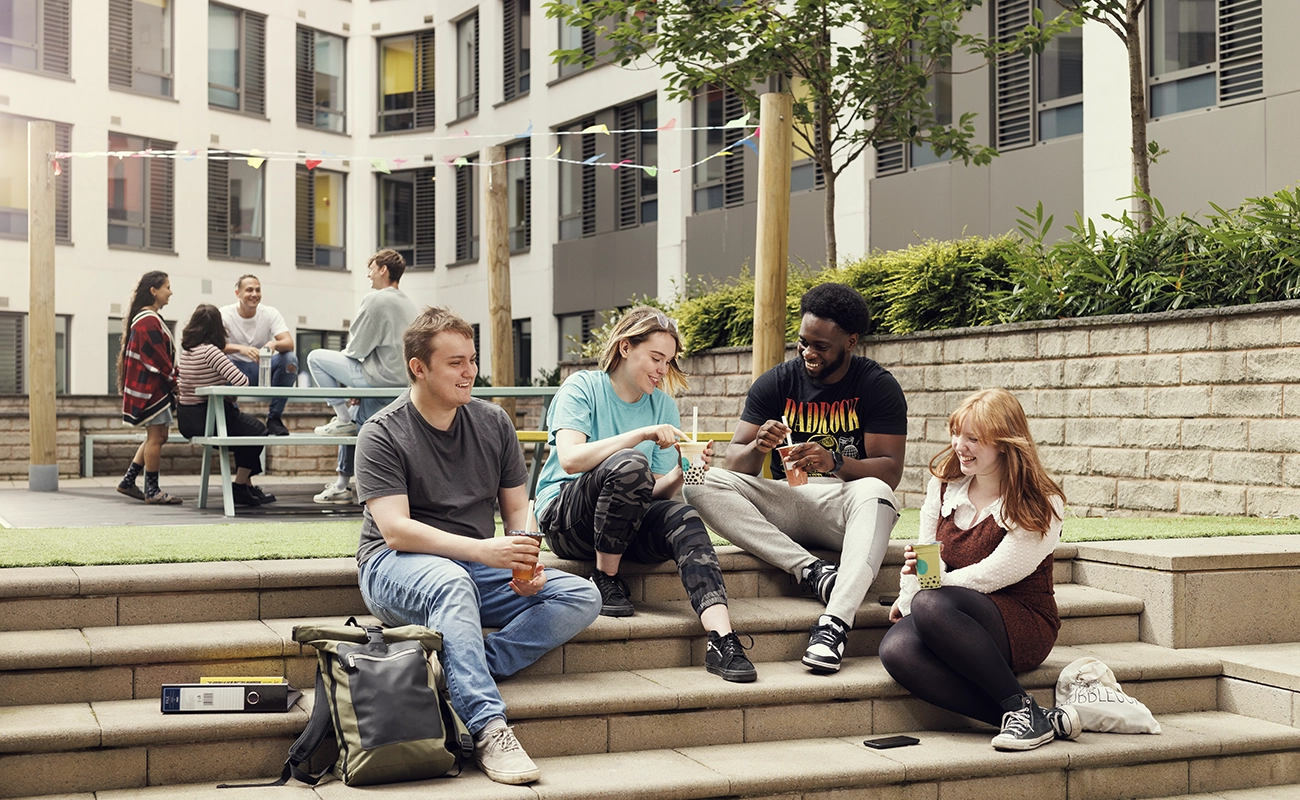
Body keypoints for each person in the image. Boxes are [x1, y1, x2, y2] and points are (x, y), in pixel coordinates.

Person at [355, 306, 601, 786]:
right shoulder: (381, 433)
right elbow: (396, 530)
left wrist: (525, 555)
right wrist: (484, 551)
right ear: (418, 367)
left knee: (581, 594)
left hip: (471, 565)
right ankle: (489, 727)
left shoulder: (493, 424)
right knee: (450, 581)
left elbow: (517, 512)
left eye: (472, 359)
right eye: (455, 363)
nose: (469, 372)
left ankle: (463, 667)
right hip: (394, 566)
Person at [685, 283, 906, 675]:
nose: (808, 353)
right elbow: (736, 462)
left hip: (843, 508)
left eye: (820, 346)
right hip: (785, 502)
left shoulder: (876, 385)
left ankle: (834, 624)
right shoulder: (777, 382)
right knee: (698, 480)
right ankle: (813, 572)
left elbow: (889, 470)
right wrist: (758, 445)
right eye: (803, 342)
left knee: (875, 490)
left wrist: (835, 461)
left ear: (850, 342)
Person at [534, 306, 758, 683]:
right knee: (629, 462)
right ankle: (605, 579)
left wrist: (684, 470)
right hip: (566, 520)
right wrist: (639, 435)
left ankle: (722, 638)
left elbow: (651, 491)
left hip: (622, 524)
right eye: (656, 358)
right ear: (625, 348)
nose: (662, 369)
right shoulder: (582, 387)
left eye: (668, 362)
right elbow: (571, 460)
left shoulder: (663, 405)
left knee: (683, 516)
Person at [878, 388, 1080, 751]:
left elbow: (994, 574)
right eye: (956, 433)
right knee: (896, 649)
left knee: (930, 604)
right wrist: (911, 595)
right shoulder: (943, 486)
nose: (959, 445)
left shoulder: (1041, 502)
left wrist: (925, 596)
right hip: (952, 610)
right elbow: (927, 557)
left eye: (973, 438)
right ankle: (1028, 717)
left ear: (1003, 443)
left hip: (1021, 620)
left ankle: (1017, 706)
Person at [309, 249, 419, 505]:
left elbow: (356, 349)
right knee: (360, 424)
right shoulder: (409, 303)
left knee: (315, 357)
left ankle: (342, 418)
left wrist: (353, 383)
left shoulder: (376, 299)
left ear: (383, 269)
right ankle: (341, 485)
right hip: (400, 382)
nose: (368, 275)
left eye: (371, 268)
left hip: (377, 378)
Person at [176, 304, 274, 507]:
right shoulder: (211, 352)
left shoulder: (187, 351)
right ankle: (239, 487)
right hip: (208, 418)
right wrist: (229, 394)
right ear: (217, 328)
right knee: (258, 432)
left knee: (245, 431)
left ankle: (246, 486)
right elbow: (242, 381)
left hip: (186, 419)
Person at [116, 270, 182, 505]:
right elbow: (160, 360)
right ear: (154, 291)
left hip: (149, 389)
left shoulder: (145, 319)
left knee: (157, 436)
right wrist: (176, 383)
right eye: (167, 287)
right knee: (156, 437)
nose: (170, 292)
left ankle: (128, 480)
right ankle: (152, 490)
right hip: (152, 391)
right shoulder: (148, 320)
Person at [220, 275, 297, 436]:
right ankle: (231, 417)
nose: (254, 294)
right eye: (249, 290)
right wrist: (241, 349)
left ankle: (274, 418)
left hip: (261, 369)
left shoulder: (269, 313)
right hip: (233, 371)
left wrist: (274, 344)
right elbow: (213, 347)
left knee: (290, 359)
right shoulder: (225, 314)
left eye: (258, 290)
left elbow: (289, 343)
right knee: (220, 360)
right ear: (237, 293)